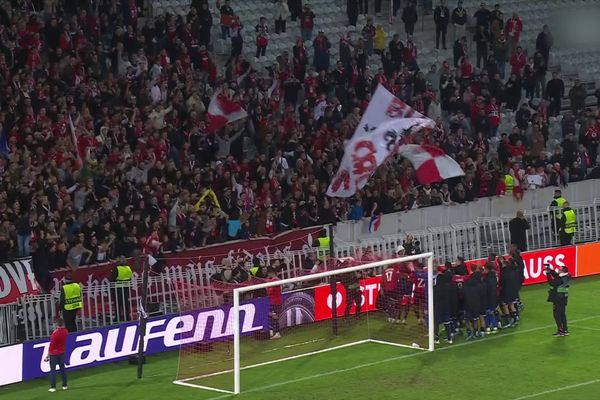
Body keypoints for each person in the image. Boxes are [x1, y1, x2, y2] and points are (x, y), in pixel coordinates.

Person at [44, 317, 68, 392]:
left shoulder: (54, 334)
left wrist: (47, 356)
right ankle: (64, 385)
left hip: (54, 354)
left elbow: (51, 346)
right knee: (62, 369)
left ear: (57, 324)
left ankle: (53, 387)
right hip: (62, 352)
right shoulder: (65, 331)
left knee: (53, 371)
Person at [379, 246, 403, 323]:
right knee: (396, 302)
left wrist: (382, 289)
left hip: (386, 289)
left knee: (390, 303)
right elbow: (398, 278)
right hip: (394, 288)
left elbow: (382, 281)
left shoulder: (384, 270)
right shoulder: (396, 269)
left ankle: (391, 316)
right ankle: (396, 317)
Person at [546, 265, 571, 336]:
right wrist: (551, 270)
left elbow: (552, 282)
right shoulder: (566, 276)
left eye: (559, 269)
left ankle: (560, 330)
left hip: (558, 298)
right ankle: (565, 330)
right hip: (564, 298)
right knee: (562, 314)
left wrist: (548, 274)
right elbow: (557, 276)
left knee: (557, 314)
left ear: (562, 271)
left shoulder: (560, 279)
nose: (558, 270)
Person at [111, 256, 133, 322]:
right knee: (126, 303)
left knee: (118, 304)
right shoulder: (129, 268)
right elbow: (130, 278)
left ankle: (118, 317)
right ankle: (127, 316)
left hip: (117, 288)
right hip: (126, 288)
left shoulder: (117, 269)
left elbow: (112, 279)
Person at [266, 268, 283, 339]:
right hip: (275, 301)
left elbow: (269, 292)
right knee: (271, 316)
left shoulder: (274, 281)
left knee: (274, 317)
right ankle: (272, 332)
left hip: (275, 302)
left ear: (271, 273)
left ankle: (277, 333)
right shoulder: (275, 280)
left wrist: (267, 286)